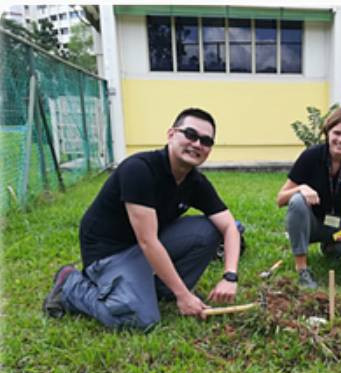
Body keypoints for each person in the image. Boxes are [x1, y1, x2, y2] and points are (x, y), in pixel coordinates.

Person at [43, 108, 243, 332]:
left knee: (210, 229)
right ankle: (71, 285)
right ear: (171, 134)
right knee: (139, 320)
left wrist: (230, 276)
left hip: (145, 246)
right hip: (110, 252)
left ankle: (163, 291)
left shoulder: (195, 182)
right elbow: (147, 240)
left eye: (206, 141)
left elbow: (229, 226)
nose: (197, 144)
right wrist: (184, 295)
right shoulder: (139, 169)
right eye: (190, 134)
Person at [277, 107, 341, 288]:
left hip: (335, 226)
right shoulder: (310, 156)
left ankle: (330, 246)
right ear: (327, 132)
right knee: (297, 200)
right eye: (337, 133)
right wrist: (302, 188)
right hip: (309, 225)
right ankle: (302, 269)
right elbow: (280, 199)